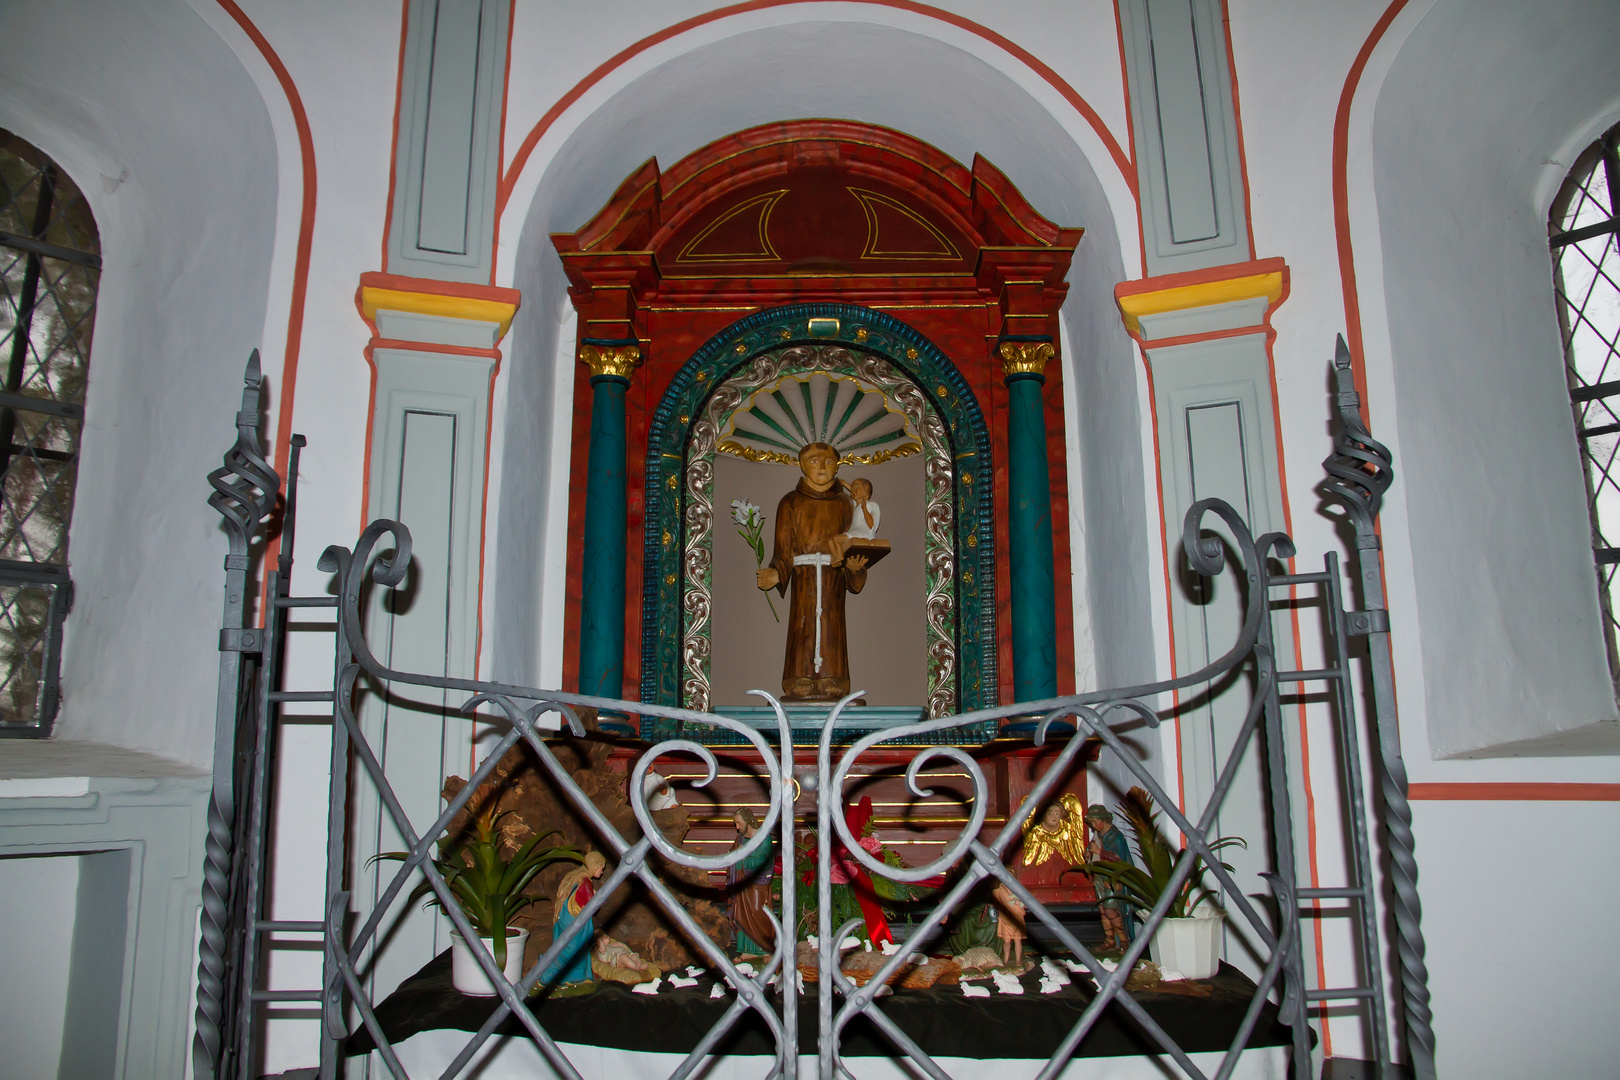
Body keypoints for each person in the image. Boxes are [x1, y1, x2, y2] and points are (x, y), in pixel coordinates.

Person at [756, 442, 871, 700]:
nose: (821, 466)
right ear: (802, 465)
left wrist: (854, 568)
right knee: (804, 624)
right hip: (804, 576)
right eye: (815, 461)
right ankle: (799, 678)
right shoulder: (790, 503)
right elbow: (783, 549)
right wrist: (777, 572)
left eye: (828, 462)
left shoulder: (845, 504)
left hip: (832, 573)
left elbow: (856, 539)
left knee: (831, 626)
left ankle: (835, 678)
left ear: (837, 467)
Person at [543, 850, 606, 989]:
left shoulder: (576, 876)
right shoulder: (584, 882)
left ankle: (579, 977)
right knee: (571, 951)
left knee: (571, 949)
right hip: (574, 921)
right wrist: (597, 897)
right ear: (595, 866)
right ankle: (547, 976)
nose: (602, 872)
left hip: (566, 917)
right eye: (601, 868)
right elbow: (591, 905)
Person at [727, 807, 777, 957]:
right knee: (741, 914)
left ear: (748, 821)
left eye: (739, 823)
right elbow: (732, 855)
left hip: (758, 883)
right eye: (735, 823)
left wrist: (743, 857)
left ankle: (764, 949)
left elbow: (764, 861)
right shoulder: (741, 839)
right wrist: (737, 856)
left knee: (757, 913)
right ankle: (746, 951)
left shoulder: (763, 838)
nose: (737, 827)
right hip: (742, 883)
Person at [1085, 806, 1135, 952]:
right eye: (1091, 823)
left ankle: (1124, 941)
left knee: (1111, 909)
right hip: (1100, 875)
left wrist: (1100, 852)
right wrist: (1088, 854)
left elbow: (1117, 858)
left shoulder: (1116, 836)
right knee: (1102, 909)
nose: (1093, 826)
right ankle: (1109, 940)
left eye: (1095, 822)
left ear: (1103, 820)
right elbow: (1091, 850)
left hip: (1112, 878)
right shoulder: (1098, 835)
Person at [991, 881, 1027, 970]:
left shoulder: (1016, 887)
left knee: (1017, 940)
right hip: (1005, 917)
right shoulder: (999, 889)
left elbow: (1026, 903)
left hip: (1016, 917)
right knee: (1006, 941)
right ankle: (1006, 960)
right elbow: (997, 899)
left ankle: (1018, 960)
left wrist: (1019, 903)